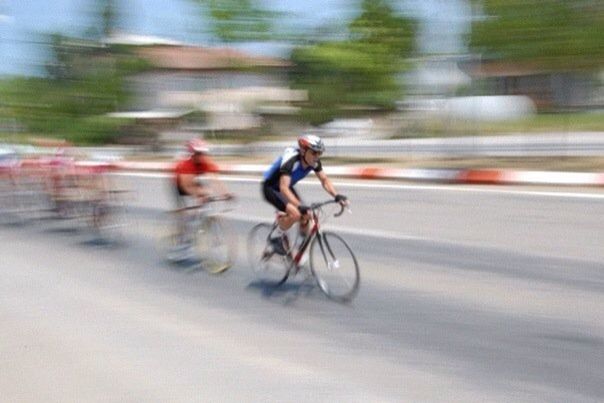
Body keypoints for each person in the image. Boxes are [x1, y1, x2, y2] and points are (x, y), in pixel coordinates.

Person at [262, 134, 348, 255]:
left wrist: (336, 196)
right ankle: (275, 237)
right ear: (303, 151)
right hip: (271, 187)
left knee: (306, 215)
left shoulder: (314, 162)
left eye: (319, 153)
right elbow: (283, 188)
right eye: (314, 153)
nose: (316, 157)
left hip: (286, 187)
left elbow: (324, 180)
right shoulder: (291, 160)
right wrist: (298, 206)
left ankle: (298, 249)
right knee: (297, 214)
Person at [172, 139, 233, 251]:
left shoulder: (206, 162)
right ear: (193, 154)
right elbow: (186, 187)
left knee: (205, 195)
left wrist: (226, 194)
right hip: (179, 183)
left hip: (192, 180)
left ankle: (197, 223)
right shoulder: (186, 165)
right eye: (198, 154)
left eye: (203, 153)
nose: (201, 156)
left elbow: (215, 179)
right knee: (186, 212)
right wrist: (200, 194)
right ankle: (182, 238)